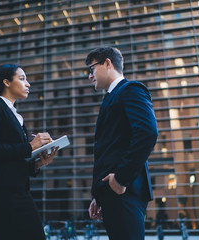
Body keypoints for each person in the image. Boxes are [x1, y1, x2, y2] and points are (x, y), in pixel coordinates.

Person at [0, 64, 59, 240]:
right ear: (6, 82)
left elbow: (13, 159)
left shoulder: (14, 114)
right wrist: (30, 146)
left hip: (14, 188)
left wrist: (38, 162)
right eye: (22, 79)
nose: (28, 84)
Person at [86, 47, 158, 240]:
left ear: (108, 63)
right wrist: (98, 195)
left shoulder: (131, 89)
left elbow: (147, 133)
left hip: (124, 191)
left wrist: (121, 179)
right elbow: (110, 150)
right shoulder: (111, 97)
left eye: (91, 69)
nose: (90, 76)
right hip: (113, 194)